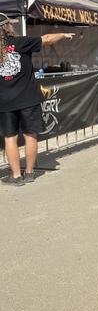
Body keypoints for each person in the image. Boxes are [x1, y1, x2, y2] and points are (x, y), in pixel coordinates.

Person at [0, 13, 73, 185]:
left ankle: (16, 176)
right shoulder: (21, 42)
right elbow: (47, 38)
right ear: (7, 27)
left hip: (4, 101)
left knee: (10, 138)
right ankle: (30, 173)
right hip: (27, 98)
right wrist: (63, 34)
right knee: (30, 134)